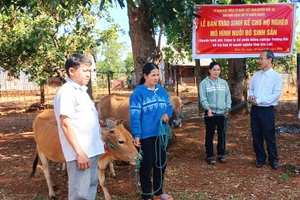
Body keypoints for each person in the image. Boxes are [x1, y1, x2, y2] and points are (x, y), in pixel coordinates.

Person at [53, 53, 105, 199]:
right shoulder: (67, 93)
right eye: (85, 71)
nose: (88, 75)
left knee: (90, 188)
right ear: (71, 71)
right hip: (80, 154)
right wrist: (79, 153)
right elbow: (65, 123)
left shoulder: (82, 92)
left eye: (90, 71)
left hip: (91, 151)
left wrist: (99, 143)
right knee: (79, 194)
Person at [130, 62, 174, 200]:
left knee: (160, 163)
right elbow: (134, 116)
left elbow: (169, 106)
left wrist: (167, 114)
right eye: (153, 75)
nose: (156, 78)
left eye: (157, 75)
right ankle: (147, 194)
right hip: (146, 136)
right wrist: (137, 135)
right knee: (146, 165)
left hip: (161, 134)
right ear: (145, 76)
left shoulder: (162, 90)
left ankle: (159, 192)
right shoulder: (137, 94)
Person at [248, 49, 282, 169]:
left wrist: (260, 100)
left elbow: (275, 94)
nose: (259, 61)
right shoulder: (256, 75)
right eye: (259, 58)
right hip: (255, 110)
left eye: (261, 58)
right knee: (256, 134)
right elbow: (250, 88)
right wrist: (251, 95)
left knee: (269, 134)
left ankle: (273, 159)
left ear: (269, 60)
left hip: (267, 110)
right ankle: (260, 158)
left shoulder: (276, 77)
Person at [199, 61, 232, 165]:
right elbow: (203, 98)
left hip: (222, 113)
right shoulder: (204, 83)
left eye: (218, 70)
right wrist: (207, 108)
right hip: (210, 113)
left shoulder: (223, 83)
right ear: (209, 71)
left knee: (222, 134)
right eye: (214, 70)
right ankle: (210, 155)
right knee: (210, 134)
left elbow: (228, 97)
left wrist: (227, 108)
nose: (216, 72)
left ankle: (221, 154)